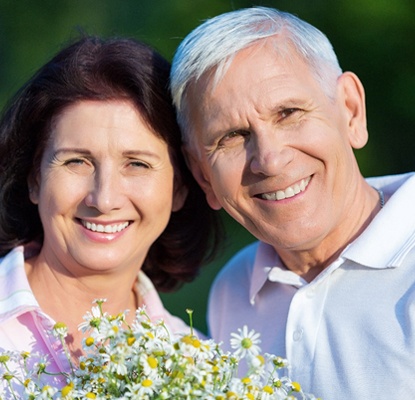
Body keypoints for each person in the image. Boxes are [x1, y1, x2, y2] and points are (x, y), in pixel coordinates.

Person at [170, 6, 415, 399]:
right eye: (231, 136)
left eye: (289, 113)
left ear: (350, 110)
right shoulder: (232, 293)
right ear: (202, 176)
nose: (269, 158)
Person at [0, 35, 221, 393]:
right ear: (34, 179)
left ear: (180, 187)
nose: (104, 199)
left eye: (136, 164)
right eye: (77, 161)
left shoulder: (199, 367)